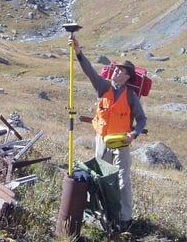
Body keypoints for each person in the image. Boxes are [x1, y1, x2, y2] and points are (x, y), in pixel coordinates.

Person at [69, 36, 147, 232]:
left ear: (127, 76)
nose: (116, 71)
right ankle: (103, 213)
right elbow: (89, 72)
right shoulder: (103, 86)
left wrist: (133, 134)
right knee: (100, 178)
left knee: (122, 180)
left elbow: (142, 119)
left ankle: (125, 218)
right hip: (102, 141)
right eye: (116, 68)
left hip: (121, 143)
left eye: (120, 70)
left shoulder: (131, 96)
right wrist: (79, 53)